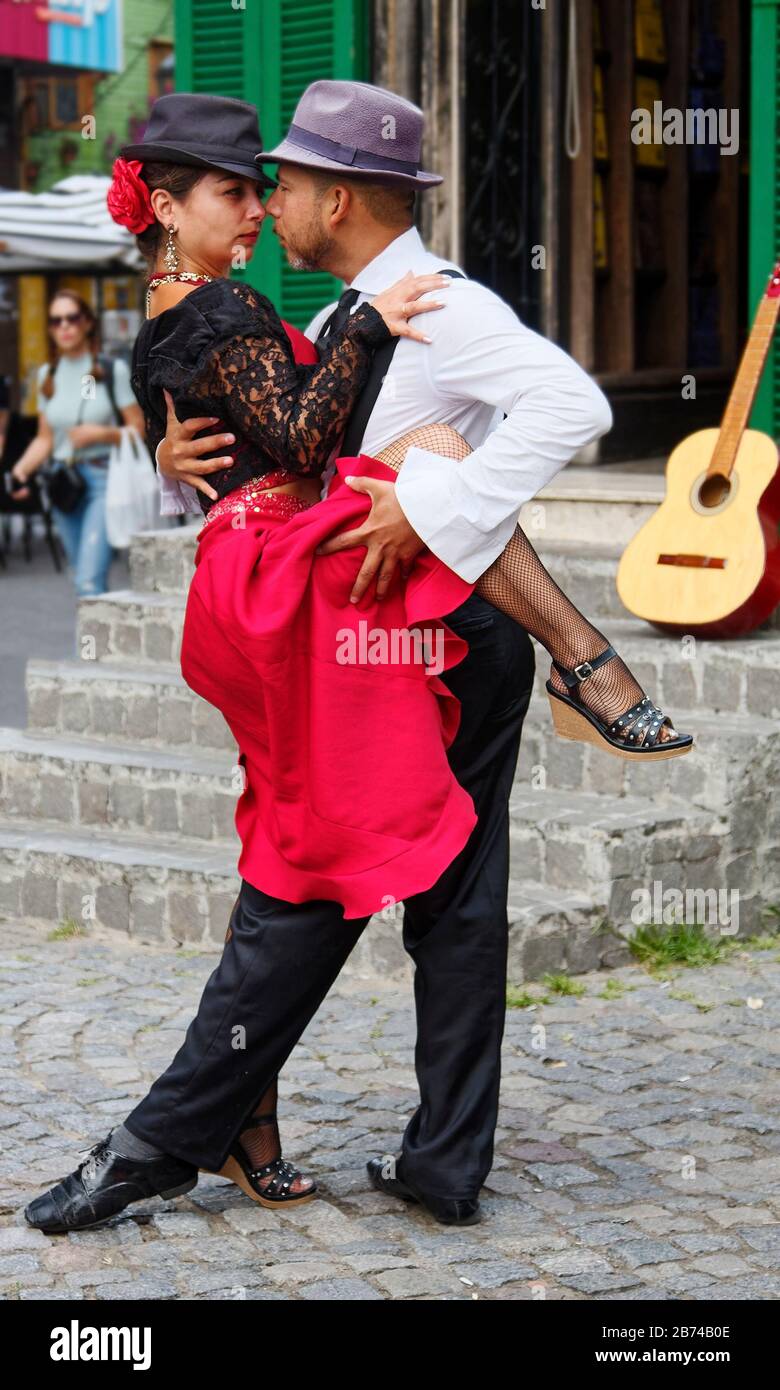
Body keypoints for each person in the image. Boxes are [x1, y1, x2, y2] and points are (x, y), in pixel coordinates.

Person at [24, 89, 691, 1239]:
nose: (266, 201)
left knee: (338, 883)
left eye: (274, 183)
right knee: (357, 876)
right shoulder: (326, 307)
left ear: (333, 197)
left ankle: (192, 1135)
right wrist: (170, 440)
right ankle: (387, 1151)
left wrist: (436, 501)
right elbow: (243, 409)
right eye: (246, 183)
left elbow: (566, 404)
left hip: (427, 626)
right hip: (358, 625)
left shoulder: (431, 306)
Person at [9, 291, 145, 597]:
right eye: (56, 321)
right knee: (80, 577)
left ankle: (86, 647)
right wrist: (20, 472)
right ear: (50, 329)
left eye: (72, 318)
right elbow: (45, 439)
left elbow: (138, 428)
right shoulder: (48, 375)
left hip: (102, 480)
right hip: (62, 483)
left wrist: (103, 434)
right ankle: (97, 645)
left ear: (86, 323)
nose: (65, 326)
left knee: (88, 580)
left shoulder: (111, 370)